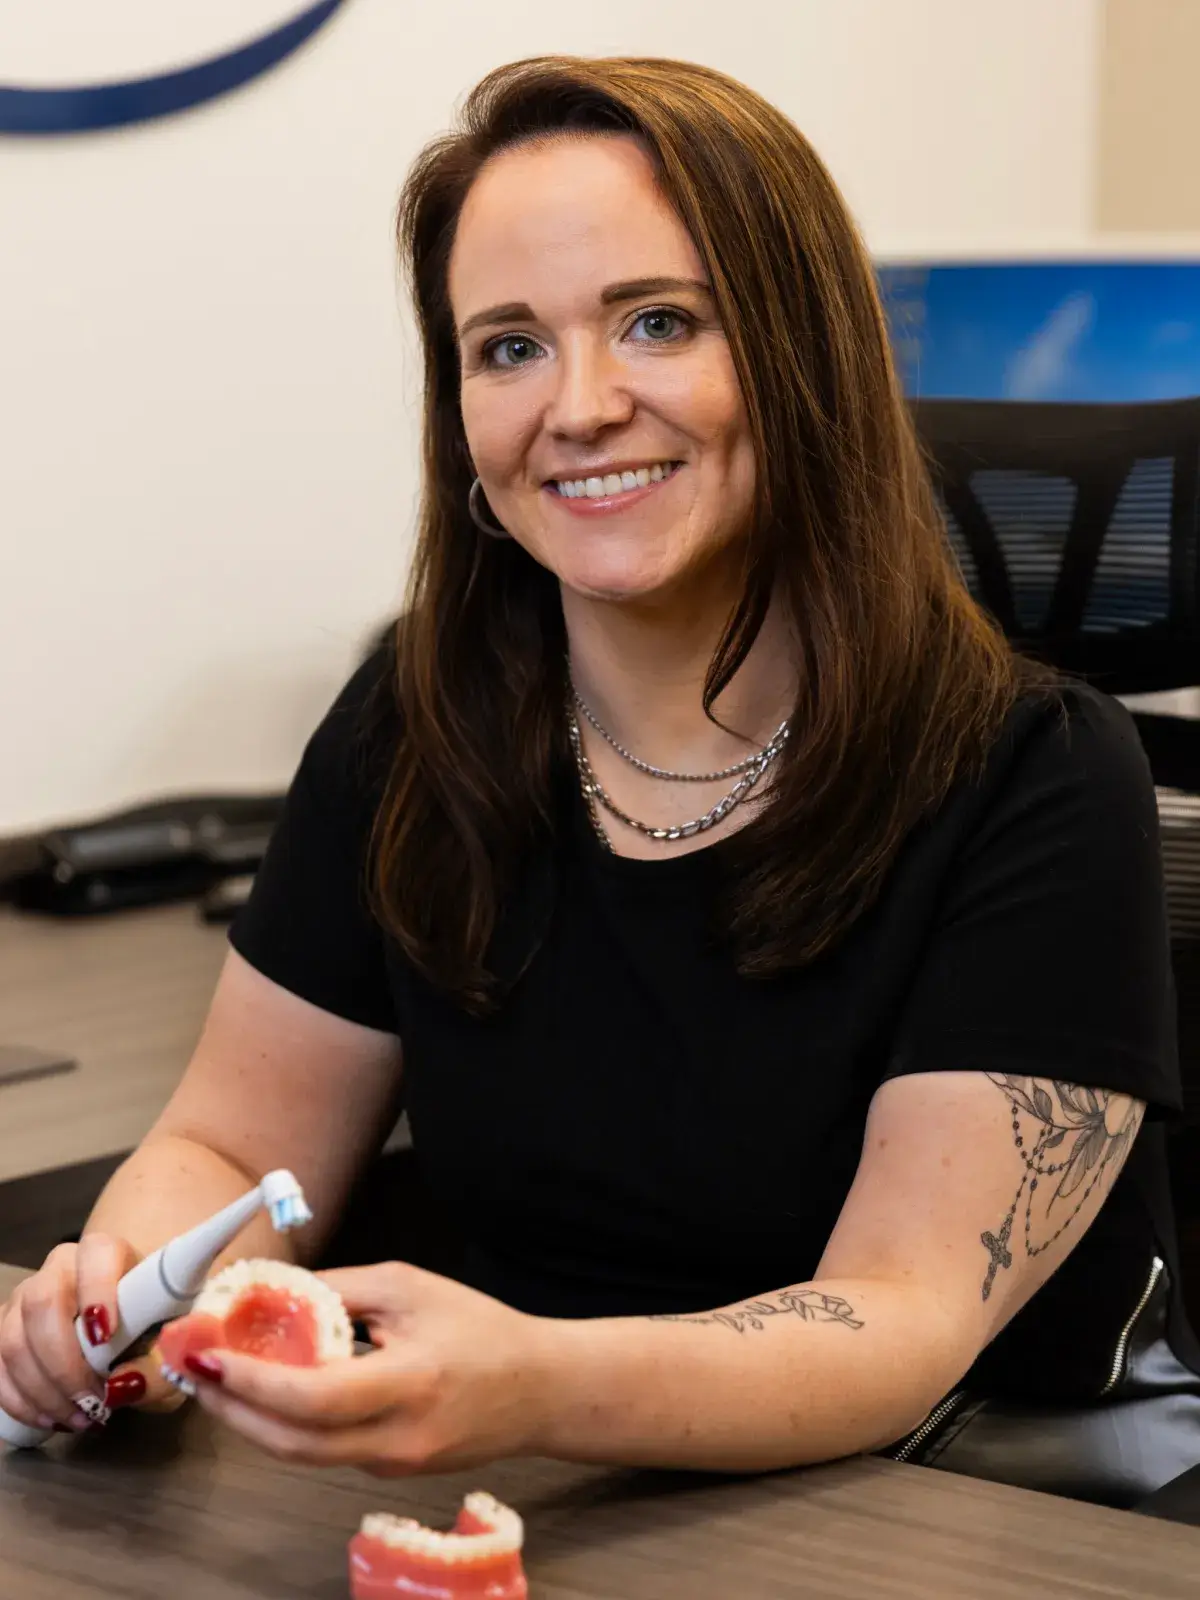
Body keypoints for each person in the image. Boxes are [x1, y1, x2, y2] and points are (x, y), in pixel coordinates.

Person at [2, 55, 1197, 1506]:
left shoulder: (1039, 774)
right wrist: (119, 1292)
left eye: (657, 322)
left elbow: (901, 1317)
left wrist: (536, 1384)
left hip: (963, 1497)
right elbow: (232, 1142)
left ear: (799, 355)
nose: (578, 405)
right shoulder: (416, 722)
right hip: (566, 1492)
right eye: (508, 346)